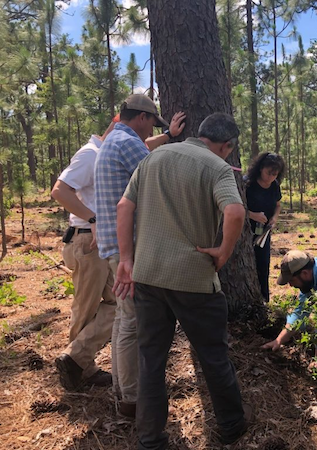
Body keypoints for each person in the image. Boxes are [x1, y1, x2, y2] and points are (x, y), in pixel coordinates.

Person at [113, 112, 251, 448]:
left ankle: (150, 438)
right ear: (227, 145)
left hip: (147, 275)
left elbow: (123, 207)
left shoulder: (154, 156)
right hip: (193, 279)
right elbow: (235, 211)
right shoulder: (217, 167)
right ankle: (232, 427)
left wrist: (127, 260)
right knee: (213, 355)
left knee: (151, 359)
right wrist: (222, 252)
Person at [94, 94, 175, 418]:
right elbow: (161, 177)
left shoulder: (114, 140)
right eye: (150, 124)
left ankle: (122, 388)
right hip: (128, 250)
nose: (149, 131)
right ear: (141, 118)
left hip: (116, 247)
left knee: (123, 319)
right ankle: (132, 397)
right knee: (131, 321)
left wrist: (169, 137)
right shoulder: (128, 142)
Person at [52, 133, 116, 391]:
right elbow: (60, 190)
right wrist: (94, 219)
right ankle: (80, 369)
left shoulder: (107, 151)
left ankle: (76, 359)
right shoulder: (90, 153)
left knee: (120, 301)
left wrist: (169, 136)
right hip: (87, 241)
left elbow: (144, 145)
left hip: (98, 241)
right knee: (86, 308)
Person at [244, 152, 285, 301]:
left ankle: (264, 299)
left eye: (275, 174)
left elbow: (278, 205)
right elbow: (234, 208)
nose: (271, 177)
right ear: (261, 168)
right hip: (245, 230)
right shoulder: (247, 184)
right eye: (269, 173)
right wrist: (252, 215)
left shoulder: (274, 186)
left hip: (264, 233)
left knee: (263, 265)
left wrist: (274, 218)